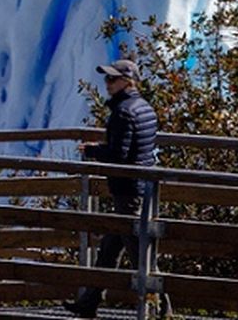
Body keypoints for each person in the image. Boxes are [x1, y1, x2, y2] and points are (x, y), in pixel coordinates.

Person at [65, 58, 158, 319]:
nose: (107, 84)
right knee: (109, 249)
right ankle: (89, 303)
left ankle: (163, 310)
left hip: (127, 190)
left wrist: (94, 150)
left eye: (112, 79)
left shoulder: (123, 112)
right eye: (107, 78)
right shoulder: (145, 108)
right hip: (140, 188)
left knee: (140, 254)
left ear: (127, 81)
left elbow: (120, 154)